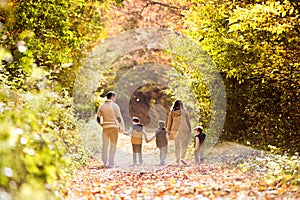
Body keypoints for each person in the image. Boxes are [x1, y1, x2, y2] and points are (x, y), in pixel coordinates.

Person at [97, 91, 125, 168]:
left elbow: (98, 118)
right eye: (114, 97)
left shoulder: (101, 106)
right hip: (114, 127)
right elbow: (119, 118)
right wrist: (122, 127)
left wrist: (101, 125)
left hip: (105, 128)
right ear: (112, 97)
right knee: (113, 145)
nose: (115, 99)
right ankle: (111, 162)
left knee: (105, 145)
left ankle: (104, 162)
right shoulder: (115, 106)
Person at [166, 100, 191, 165]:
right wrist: (189, 131)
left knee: (177, 146)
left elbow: (169, 123)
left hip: (175, 130)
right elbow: (188, 122)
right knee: (184, 145)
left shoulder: (171, 113)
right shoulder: (185, 112)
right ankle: (182, 158)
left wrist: (168, 132)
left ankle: (177, 161)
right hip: (184, 129)